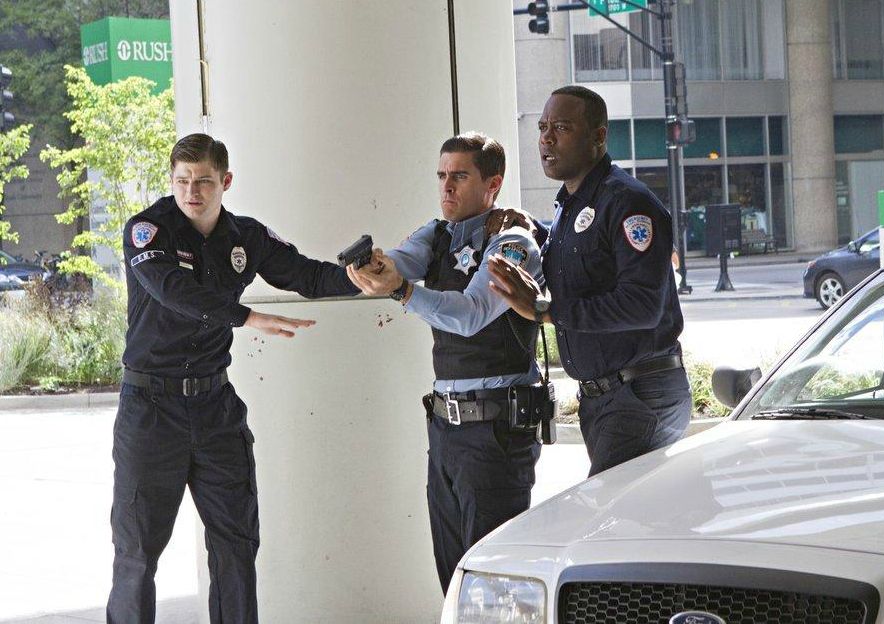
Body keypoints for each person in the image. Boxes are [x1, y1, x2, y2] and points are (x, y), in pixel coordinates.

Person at [108, 133, 358, 623]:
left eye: (203, 181)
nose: (191, 192)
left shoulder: (246, 236)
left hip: (215, 408)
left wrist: (358, 278)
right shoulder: (148, 231)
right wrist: (247, 317)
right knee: (137, 552)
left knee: (237, 546)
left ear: (226, 181)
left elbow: (305, 275)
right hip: (150, 409)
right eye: (181, 181)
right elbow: (174, 292)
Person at [346, 132, 543, 594]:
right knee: (453, 579)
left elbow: (472, 313)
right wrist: (376, 268)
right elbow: (400, 260)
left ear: (492, 184)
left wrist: (403, 291)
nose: (446, 187)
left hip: (496, 433)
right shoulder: (436, 233)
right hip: (446, 430)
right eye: (441, 175)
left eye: (459, 176)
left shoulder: (514, 243)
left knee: (495, 583)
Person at [488, 85, 691, 477]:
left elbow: (643, 305)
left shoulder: (629, 202)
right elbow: (585, 258)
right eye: (543, 127)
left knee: (620, 527)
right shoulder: (574, 203)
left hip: (639, 395)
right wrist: (536, 229)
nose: (546, 137)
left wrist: (544, 310)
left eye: (561, 127)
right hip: (605, 398)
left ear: (598, 136)